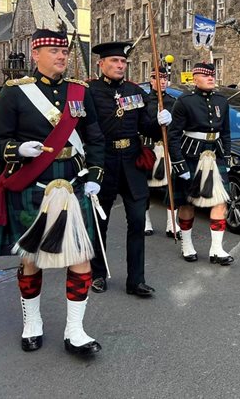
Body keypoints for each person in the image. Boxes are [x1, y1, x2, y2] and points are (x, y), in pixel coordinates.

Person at [0, 28, 105, 356]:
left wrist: (95, 173)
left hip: (73, 184)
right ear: (35, 55)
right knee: (31, 261)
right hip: (32, 186)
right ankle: (32, 322)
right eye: (54, 51)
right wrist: (18, 149)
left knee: (81, 259)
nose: (62, 56)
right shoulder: (15, 93)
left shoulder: (80, 91)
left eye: (64, 51)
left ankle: (75, 331)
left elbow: (94, 136)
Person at [88, 41, 171, 297]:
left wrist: (159, 123)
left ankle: (136, 280)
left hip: (132, 161)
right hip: (104, 161)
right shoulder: (89, 91)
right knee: (99, 222)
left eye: (123, 62)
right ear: (101, 64)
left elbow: (146, 126)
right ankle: (98, 273)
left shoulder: (136, 91)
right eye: (114, 61)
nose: (120, 65)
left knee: (137, 221)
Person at [167, 62, 233, 265]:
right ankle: (187, 245)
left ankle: (216, 249)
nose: (211, 78)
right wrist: (179, 163)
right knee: (188, 202)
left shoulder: (222, 101)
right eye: (205, 76)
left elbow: (227, 132)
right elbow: (174, 135)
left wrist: (227, 158)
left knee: (220, 202)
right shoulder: (184, 102)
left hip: (216, 155)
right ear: (194, 79)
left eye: (212, 75)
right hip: (191, 155)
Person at [144, 66, 179, 238]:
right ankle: (146, 220)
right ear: (151, 81)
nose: (162, 81)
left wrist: (171, 122)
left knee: (171, 187)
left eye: (165, 79)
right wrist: (154, 122)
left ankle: (172, 223)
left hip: (167, 148)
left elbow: (178, 127)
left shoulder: (173, 101)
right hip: (149, 147)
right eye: (158, 78)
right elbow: (141, 126)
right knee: (145, 188)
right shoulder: (144, 101)